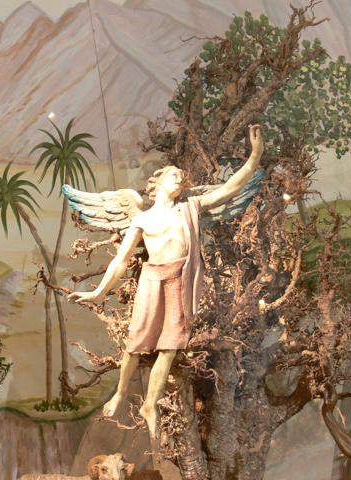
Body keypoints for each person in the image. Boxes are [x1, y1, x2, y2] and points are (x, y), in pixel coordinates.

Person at [68, 125, 265, 437]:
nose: (180, 178)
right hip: (152, 279)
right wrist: (98, 292)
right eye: (174, 174)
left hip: (180, 280)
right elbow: (121, 260)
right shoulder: (142, 218)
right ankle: (120, 393)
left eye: (181, 176)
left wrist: (254, 157)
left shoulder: (190, 207)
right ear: (157, 181)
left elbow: (228, 189)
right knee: (135, 345)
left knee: (170, 346)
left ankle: (150, 404)